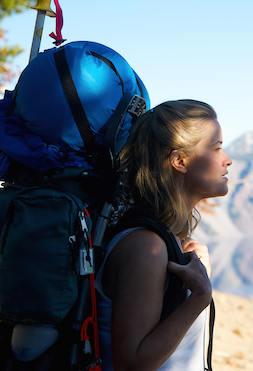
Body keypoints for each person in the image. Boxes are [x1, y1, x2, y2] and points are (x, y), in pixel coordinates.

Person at [95, 99, 233, 370]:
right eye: (217, 148)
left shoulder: (163, 242)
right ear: (179, 160)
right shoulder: (146, 247)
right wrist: (199, 296)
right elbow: (132, 363)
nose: (227, 159)